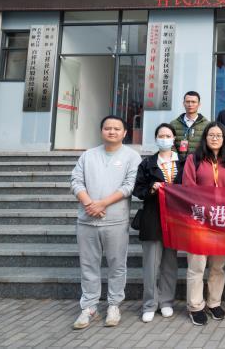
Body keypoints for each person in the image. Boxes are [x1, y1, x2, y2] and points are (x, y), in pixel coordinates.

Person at [71, 115, 141, 330]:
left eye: (116, 128)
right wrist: (89, 203)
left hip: (115, 221)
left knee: (117, 265)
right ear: (101, 131)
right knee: (88, 265)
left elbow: (129, 186)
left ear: (125, 133)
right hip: (87, 220)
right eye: (108, 128)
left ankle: (114, 305)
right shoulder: (88, 155)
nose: (112, 131)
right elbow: (76, 181)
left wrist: (102, 204)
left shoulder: (132, 156)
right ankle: (89, 306)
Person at [182, 122, 225, 326]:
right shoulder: (194, 159)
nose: (215, 138)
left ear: (224, 139)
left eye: (219, 135)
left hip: (221, 221)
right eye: (211, 135)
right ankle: (195, 306)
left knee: (218, 266)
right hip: (199, 220)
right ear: (205, 137)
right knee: (197, 265)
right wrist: (204, 210)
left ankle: (214, 302)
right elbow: (188, 187)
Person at [132, 123, 182, 323]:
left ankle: (166, 301)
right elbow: (138, 190)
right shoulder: (147, 163)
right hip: (153, 217)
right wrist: (152, 188)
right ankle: (149, 304)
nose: (165, 139)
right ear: (156, 139)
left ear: (174, 139)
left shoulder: (183, 162)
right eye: (161, 135)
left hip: (175, 219)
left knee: (170, 263)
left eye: (168, 136)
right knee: (151, 264)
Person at [169, 91, 209, 161]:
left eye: (193, 102)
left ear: (199, 104)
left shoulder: (207, 125)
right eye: (187, 102)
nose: (190, 104)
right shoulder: (173, 124)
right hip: (178, 163)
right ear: (183, 103)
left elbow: (208, 145)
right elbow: (170, 144)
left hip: (199, 162)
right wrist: (177, 159)